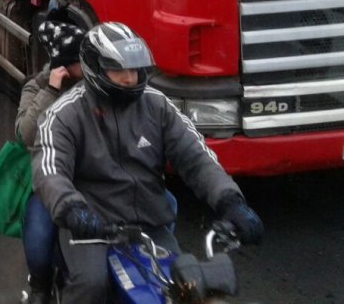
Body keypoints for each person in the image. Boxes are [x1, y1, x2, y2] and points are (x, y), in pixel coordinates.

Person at [32, 22, 264, 304]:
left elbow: (197, 159)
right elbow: (49, 170)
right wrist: (73, 209)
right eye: (118, 69)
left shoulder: (158, 106)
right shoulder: (65, 113)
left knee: (183, 288)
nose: (130, 78)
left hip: (149, 223)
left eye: (134, 68)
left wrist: (231, 202)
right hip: (92, 227)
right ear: (95, 68)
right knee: (91, 286)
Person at [15, 19, 85, 303]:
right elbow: (25, 134)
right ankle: (40, 286)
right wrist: (51, 92)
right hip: (49, 179)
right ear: (64, 66)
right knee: (39, 238)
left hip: (91, 177)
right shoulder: (36, 88)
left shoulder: (96, 86)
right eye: (82, 60)